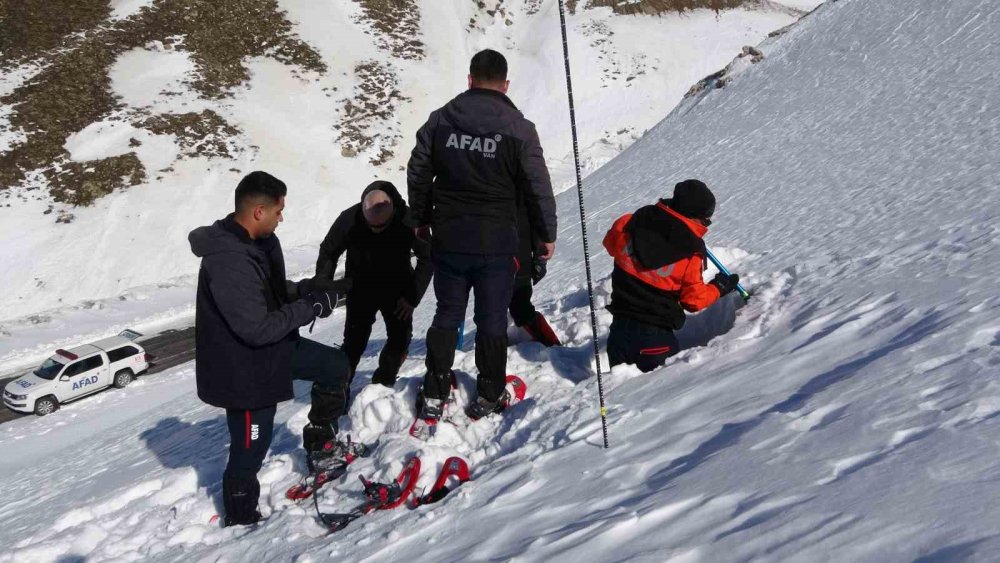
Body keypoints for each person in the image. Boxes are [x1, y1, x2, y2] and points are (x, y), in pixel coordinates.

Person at [189, 171, 351, 527]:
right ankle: (241, 518)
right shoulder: (227, 260)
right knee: (250, 451)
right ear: (258, 211)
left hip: (273, 349)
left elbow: (270, 291)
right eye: (279, 211)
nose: (283, 218)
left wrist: (307, 290)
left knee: (335, 366)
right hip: (245, 370)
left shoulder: (259, 241)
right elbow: (256, 328)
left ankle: (321, 444)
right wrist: (312, 308)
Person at [407, 49, 557, 420]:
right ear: (505, 85)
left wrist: (421, 218)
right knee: (491, 318)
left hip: (450, 237)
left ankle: (435, 389)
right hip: (496, 243)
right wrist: (545, 234)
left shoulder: (440, 121)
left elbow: (418, 170)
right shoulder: (519, 129)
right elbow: (538, 186)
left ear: (470, 79)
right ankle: (490, 392)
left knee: (447, 313)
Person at [602, 179, 740, 373]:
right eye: (706, 220)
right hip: (655, 341)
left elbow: (610, 243)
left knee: (620, 398)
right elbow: (693, 301)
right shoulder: (690, 253)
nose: (706, 225)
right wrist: (719, 287)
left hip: (618, 334)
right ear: (694, 217)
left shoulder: (631, 221)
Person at [314, 180, 432, 389]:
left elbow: (428, 256)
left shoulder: (409, 219)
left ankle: (382, 384)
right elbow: (329, 251)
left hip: (398, 290)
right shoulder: (350, 218)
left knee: (399, 340)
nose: (376, 230)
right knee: (353, 343)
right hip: (360, 287)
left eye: (381, 226)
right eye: (372, 226)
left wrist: (413, 296)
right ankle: (338, 394)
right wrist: (324, 286)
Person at [509, 190, 560, 347]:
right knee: (514, 305)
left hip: (516, 244)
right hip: (509, 242)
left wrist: (539, 252)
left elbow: (536, 203)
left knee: (519, 304)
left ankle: (552, 346)